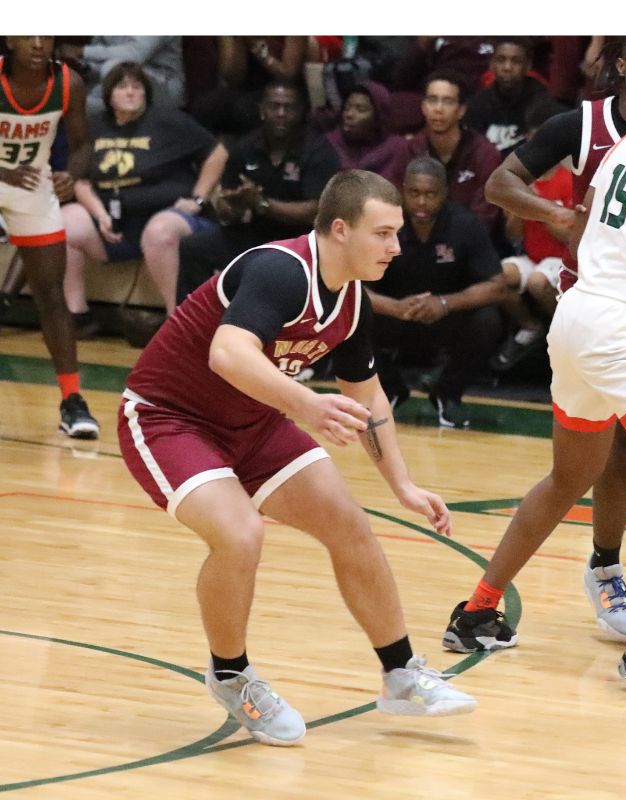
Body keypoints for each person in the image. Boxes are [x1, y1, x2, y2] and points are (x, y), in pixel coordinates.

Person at [117, 169, 477, 747]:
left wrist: (404, 486)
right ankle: (232, 676)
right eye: (383, 233)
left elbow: (369, 395)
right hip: (169, 418)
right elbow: (228, 353)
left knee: (350, 526)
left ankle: (401, 675)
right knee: (240, 536)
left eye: (398, 234)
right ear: (341, 230)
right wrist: (306, 404)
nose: (396, 247)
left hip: (254, 423)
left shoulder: (351, 298)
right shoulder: (279, 269)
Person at [443, 57, 626, 698]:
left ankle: (477, 611)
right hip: (622, 330)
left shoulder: (623, 153)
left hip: (573, 320)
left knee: (569, 476)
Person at [61, 62, 226, 319]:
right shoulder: (94, 126)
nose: (130, 93)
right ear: (108, 95)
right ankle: (75, 314)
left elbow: (218, 153)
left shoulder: (168, 121)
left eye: (136, 87)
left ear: (146, 93)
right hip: (116, 223)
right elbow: (80, 180)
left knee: (159, 231)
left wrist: (199, 198)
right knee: (63, 220)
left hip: (168, 217)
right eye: (122, 87)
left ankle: (178, 321)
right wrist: (100, 214)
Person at [0, 36, 99, 438]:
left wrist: (71, 174)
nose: (38, 44)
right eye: (28, 35)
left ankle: (72, 400)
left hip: (32, 187)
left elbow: (82, 144)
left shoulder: (67, 83)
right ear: (10, 39)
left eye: (45, 34)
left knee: (52, 296)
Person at [366, 156, 506, 429]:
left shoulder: (465, 224)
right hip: (395, 315)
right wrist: (394, 307)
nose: (421, 202)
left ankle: (448, 394)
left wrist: (444, 303)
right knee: (349, 314)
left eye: (430, 194)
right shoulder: (381, 225)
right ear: (402, 190)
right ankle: (387, 391)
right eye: (414, 193)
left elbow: (498, 285)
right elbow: (348, 286)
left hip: (445, 318)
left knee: (489, 318)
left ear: (445, 193)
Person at [176, 81, 340, 305]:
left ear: (302, 111)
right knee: (193, 247)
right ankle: (194, 326)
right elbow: (227, 205)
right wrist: (232, 205)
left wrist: (262, 204)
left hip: (302, 241)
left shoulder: (318, 151)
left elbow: (316, 211)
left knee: (272, 262)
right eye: (274, 106)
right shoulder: (246, 147)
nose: (281, 113)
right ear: (262, 109)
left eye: (288, 107)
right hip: (255, 233)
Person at [490, 97, 572, 372]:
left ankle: (562, 334)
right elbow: (512, 234)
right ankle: (531, 326)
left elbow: (569, 236)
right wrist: (518, 207)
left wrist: (536, 203)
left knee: (538, 282)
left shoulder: (569, 178)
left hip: (563, 259)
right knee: (498, 277)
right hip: (533, 256)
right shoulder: (519, 180)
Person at [392, 70, 503, 236]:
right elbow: (396, 205)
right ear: (423, 107)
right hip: (418, 243)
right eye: (432, 100)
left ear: (461, 110)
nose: (438, 109)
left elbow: (484, 217)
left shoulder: (485, 153)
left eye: (448, 101)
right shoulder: (409, 150)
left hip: (469, 245)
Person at [463, 37, 547, 156]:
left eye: (516, 61)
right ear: (492, 64)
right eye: (501, 60)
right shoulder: (478, 103)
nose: (507, 67)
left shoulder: (542, 103)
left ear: (528, 66)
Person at [325, 81, 405, 175]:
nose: (349, 114)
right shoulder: (328, 145)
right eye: (346, 108)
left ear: (379, 116)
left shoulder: (398, 148)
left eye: (360, 110)